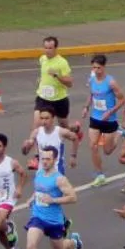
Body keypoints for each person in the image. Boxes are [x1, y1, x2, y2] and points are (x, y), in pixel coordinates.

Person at [17, 146, 82, 249]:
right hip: (37, 217)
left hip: (54, 221)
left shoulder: (59, 179)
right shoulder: (39, 173)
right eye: (42, 158)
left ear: (54, 160)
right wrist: (32, 198)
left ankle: (74, 241)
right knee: (31, 246)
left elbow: (73, 197)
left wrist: (53, 200)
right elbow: (39, 190)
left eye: (48, 159)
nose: (44, 162)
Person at [34, 35, 78, 165]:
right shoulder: (42, 59)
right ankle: (36, 157)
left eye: (50, 48)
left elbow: (70, 83)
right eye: (45, 48)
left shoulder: (62, 63)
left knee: (64, 127)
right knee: (37, 125)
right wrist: (41, 80)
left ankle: (74, 129)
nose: (47, 51)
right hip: (43, 98)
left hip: (59, 99)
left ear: (56, 48)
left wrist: (57, 76)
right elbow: (43, 74)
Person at [84, 54, 125, 186]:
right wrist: (86, 107)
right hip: (95, 118)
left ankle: (119, 133)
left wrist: (110, 111)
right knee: (93, 146)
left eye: (99, 68)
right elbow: (91, 95)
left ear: (104, 67)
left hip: (109, 120)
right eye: (94, 68)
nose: (96, 71)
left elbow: (123, 99)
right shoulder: (91, 80)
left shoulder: (111, 82)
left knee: (107, 151)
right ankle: (99, 174)